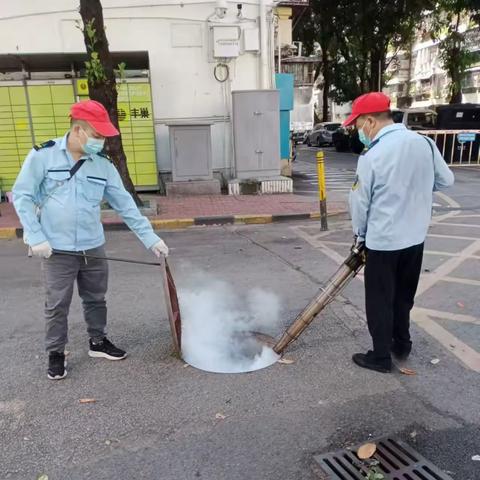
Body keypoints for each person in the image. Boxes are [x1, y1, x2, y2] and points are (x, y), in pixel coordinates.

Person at [13, 100, 169, 380]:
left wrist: (151, 239)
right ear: (78, 130)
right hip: (55, 249)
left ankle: (98, 342)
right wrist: (35, 236)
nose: (101, 142)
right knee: (57, 303)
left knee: (96, 298)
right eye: (97, 136)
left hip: (92, 246)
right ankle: (56, 353)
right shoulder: (42, 156)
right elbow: (22, 196)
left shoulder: (103, 166)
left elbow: (126, 205)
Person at [345, 92, 454, 373]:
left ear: (369, 121)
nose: (359, 132)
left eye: (358, 126)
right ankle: (402, 344)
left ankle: (380, 357)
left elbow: (360, 203)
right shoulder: (425, 144)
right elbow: (446, 180)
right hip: (415, 238)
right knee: (403, 295)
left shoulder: (373, 156)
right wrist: (416, 188)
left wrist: (359, 236)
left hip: (383, 241)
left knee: (380, 299)